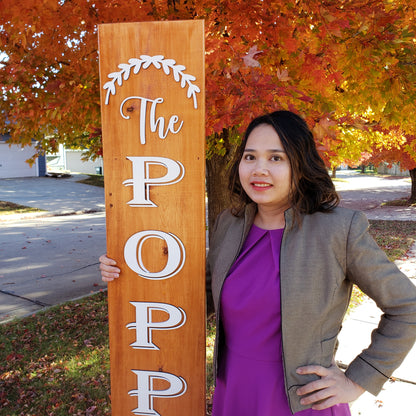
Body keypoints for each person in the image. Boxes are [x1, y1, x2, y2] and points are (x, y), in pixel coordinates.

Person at [100, 110, 416, 415]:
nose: (258, 169)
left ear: (300, 165)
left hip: (303, 403)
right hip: (234, 392)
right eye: (250, 156)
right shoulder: (230, 224)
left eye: (275, 158)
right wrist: (129, 275)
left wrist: (357, 380)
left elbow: (407, 307)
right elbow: (195, 301)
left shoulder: (338, 230)